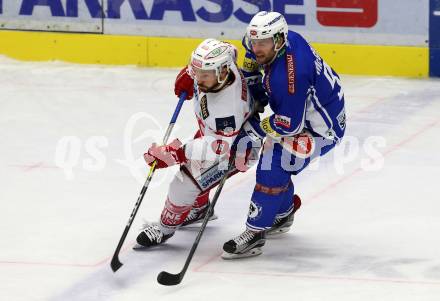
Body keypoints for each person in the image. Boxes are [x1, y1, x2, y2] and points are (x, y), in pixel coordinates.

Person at [221, 11, 346, 259]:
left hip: (320, 129)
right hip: (304, 108)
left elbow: (288, 126)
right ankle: (283, 213)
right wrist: (252, 94)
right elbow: (250, 61)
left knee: (273, 164)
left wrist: (258, 129)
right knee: (274, 162)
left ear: (278, 40)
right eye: (254, 41)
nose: (256, 48)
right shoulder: (281, 39)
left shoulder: (290, 77)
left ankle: (255, 234)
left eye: (262, 43)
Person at [135, 38, 263, 248]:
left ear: (222, 72)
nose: (198, 79)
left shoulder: (227, 107)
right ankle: (200, 209)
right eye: (197, 72)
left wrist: (174, 154)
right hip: (214, 133)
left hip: (235, 149)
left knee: (183, 184)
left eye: (204, 75)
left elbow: (217, 148)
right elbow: (229, 47)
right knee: (194, 173)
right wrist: (189, 72)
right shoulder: (223, 63)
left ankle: (165, 229)